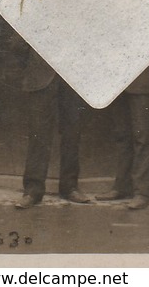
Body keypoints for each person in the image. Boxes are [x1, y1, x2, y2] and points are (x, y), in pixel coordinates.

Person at [14, 46, 91, 209]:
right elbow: (18, 45)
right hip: (40, 77)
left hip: (72, 78)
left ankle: (70, 187)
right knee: (38, 134)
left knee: (72, 132)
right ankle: (32, 191)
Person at [96, 62, 149, 210]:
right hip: (117, 81)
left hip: (141, 82)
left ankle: (142, 193)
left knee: (142, 137)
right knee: (122, 135)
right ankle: (122, 186)